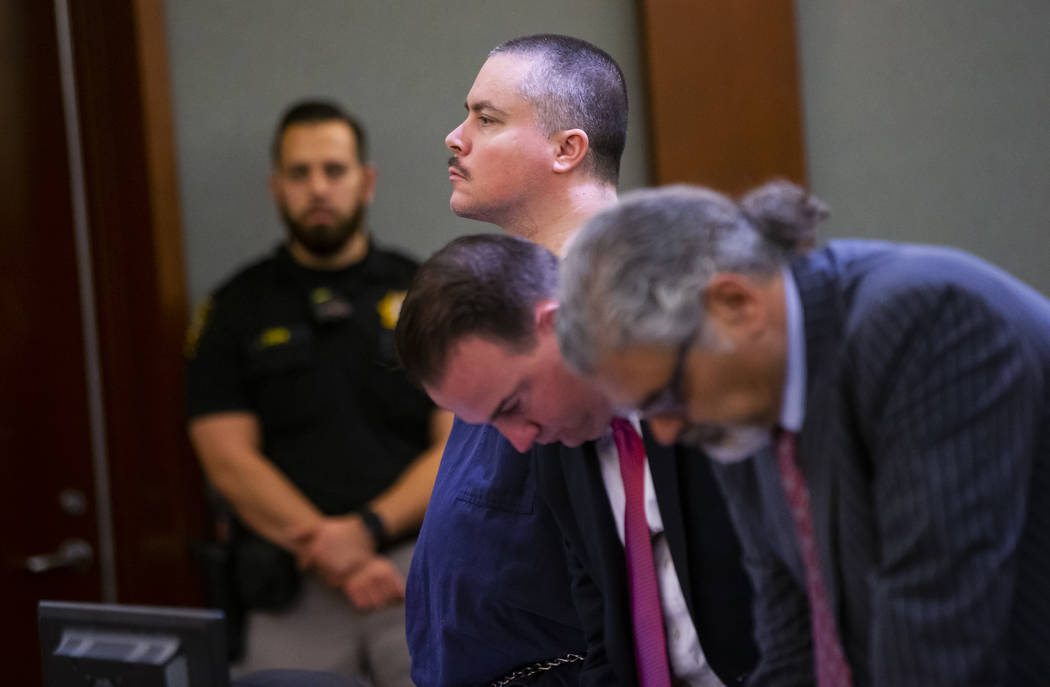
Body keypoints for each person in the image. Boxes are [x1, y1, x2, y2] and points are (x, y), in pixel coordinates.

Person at [555, 181, 1050, 685]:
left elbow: (936, 624)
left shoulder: (922, 324)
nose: (664, 432)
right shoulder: (743, 402)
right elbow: (793, 640)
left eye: (667, 397)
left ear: (735, 304)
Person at [396, 233, 758, 686]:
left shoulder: (715, 380)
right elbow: (604, 639)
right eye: (492, 423)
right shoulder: (565, 437)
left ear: (555, 325)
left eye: (511, 406)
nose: (520, 441)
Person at [184, 99, 452, 685]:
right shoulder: (236, 307)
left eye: (334, 170)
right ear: (276, 187)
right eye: (300, 173)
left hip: (415, 574)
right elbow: (226, 459)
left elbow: (459, 441)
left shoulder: (425, 292)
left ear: (367, 180)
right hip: (293, 584)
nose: (318, 188)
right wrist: (335, 551)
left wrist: (367, 531)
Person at [402, 34, 626, 686]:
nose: (455, 136)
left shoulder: (603, 328)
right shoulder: (504, 300)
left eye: (487, 119)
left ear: (567, 149)